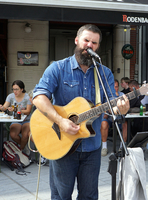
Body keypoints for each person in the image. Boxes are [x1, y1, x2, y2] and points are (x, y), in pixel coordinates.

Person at [32, 24, 130, 199]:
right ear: (77, 41)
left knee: (89, 196)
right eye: (86, 40)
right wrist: (60, 120)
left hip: (92, 147)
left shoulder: (104, 73)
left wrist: (121, 107)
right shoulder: (58, 68)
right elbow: (39, 97)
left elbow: (111, 103)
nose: (89, 45)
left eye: (94, 42)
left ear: (97, 46)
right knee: (62, 196)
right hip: (62, 144)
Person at [0, 80, 32, 155]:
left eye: (17, 89)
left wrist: (16, 110)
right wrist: (0, 107)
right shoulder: (10, 96)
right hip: (16, 119)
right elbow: (4, 107)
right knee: (13, 134)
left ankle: (20, 152)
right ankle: (24, 147)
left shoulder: (27, 97)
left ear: (22, 89)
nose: (15, 91)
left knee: (25, 134)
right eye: (13, 89)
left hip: (27, 120)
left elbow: (28, 111)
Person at [101, 79, 128, 157]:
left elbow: (126, 107)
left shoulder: (122, 94)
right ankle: (104, 147)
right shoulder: (106, 95)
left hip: (119, 117)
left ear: (118, 87)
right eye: (113, 87)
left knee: (125, 124)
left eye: (116, 87)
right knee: (103, 123)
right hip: (108, 117)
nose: (114, 89)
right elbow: (104, 110)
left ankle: (122, 146)